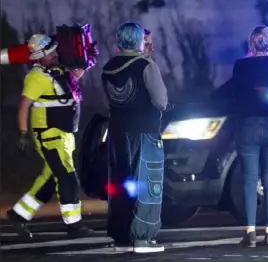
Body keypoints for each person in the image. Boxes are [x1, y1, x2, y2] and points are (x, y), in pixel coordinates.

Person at [7, 34, 94, 238]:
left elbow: (74, 78)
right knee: (67, 178)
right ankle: (74, 225)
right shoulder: (36, 78)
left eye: (55, 50)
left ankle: (18, 215)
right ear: (40, 55)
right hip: (50, 136)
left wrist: (87, 60)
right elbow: (23, 107)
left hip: (63, 136)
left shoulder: (56, 72)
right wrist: (22, 133)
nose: (55, 54)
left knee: (49, 180)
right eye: (50, 52)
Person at [102, 22, 168, 253]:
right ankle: (143, 237)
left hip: (118, 132)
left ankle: (120, 237)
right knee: (148, 184)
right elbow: (161, 101)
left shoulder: (108, 67)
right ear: (139, 40)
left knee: (121, 184)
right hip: (145, 132)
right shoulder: (146, 65)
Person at [232, 26, 268, 247]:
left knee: (249, 179)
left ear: (251, 42)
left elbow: (235, 94)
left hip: (248, 125)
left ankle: (250, 232)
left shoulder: (241, 65)